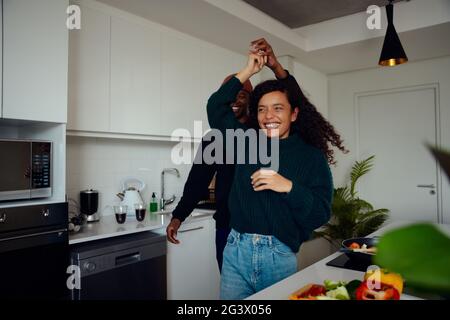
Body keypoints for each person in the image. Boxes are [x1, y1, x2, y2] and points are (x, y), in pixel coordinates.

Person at [206, 39, 347, 299]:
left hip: (277, 256)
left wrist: (289, 187)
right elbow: (215, 108)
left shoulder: (310, 157)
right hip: (235, 250)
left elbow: (320, 214)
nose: (269, 116)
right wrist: (249, 70)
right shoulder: (246, 141)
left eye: (277, 108)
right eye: (262, 109)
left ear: (293, 114)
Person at [165, 72, 253, 272]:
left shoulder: (261, 133)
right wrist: (178, 216)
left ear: (250, 99)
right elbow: (197, 182)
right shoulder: (213, 139)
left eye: (240, 94)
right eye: (227, 95)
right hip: (226, 227)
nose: (233, 100)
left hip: (259, 230)